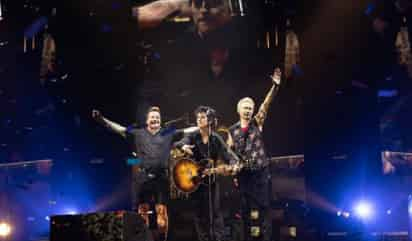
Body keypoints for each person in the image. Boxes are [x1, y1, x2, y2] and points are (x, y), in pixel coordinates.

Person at [92, 106, 198, 241]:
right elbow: (119, 129)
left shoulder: (167, 133)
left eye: (157, 118)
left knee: (161, 215)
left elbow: (186, 131)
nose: (155, 119)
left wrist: (202, 126)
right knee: (142, 214)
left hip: (161, 178)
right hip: (142, 179)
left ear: (160, 120)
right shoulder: (138, 133)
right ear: (147, 120)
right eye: (152, 117)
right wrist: (102, 120)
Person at [228, 67, 281, 241]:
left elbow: (266, 103)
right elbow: (229, 153)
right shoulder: (232, 130)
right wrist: (233, 172)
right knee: (244, 210)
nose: (248, 110)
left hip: (260, 172)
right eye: (245, 108)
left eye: (250, 108)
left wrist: (275, 86)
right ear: (239, 110)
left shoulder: (257, 122)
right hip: (244, 175)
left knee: (265, 209)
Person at [175, 106, 237, 241]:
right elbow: (179, 143)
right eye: (198, 117)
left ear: (210, 120)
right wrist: (183, 146)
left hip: (211, 181)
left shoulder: (216, 139)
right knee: (198, 214)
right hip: (194, 180)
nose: (199, 119)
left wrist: (234, 164)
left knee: (214, 213)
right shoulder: (192, 135)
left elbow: (229, 155)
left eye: (202, 117)